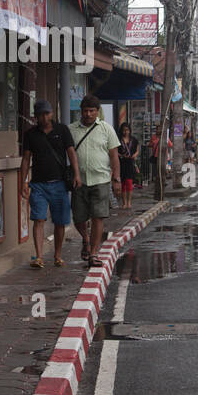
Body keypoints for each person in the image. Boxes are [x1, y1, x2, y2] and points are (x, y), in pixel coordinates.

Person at [20, 100, 80, 268]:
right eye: (40, 115)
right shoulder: (30, 134)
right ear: (35, 116)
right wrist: (22, 182)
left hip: (59, 184)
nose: (44, 117)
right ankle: (39, 257)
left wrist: (77, 174)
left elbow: (71, 153)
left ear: (52, 113)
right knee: (38, 219)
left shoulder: (62, 130)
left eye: (47, 114)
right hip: (38, 184)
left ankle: (57, 255)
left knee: (60, 221)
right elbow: (26, 159)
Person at [70, 95, 121, 268]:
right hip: (79, 180)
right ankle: (85, 239)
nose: (89, 114)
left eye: (92, 111)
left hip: (101, 180)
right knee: (78, 217)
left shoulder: (107, 129)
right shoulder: (71, 130)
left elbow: (114, 156)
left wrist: (116, 179)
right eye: (85, 111)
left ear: (97, 112)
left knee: (98, 216)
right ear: (81, 112)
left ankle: (93, 253)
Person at [117, 122, 140, 211]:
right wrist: (121, 155)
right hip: (122, 163)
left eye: (127, 130)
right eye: (124, 130)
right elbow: (115, 152)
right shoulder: (118, 140)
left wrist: (135, 155)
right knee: (123, 184)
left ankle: (129, 202)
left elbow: (137, 150)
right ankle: (124, 203)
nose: (125, 132)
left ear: (129, 130)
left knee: (129, 183)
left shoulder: (133, 140)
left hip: (130, 162)